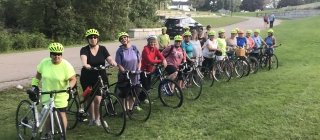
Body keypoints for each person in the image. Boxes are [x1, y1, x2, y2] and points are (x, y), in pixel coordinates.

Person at [30, 42, 77, 132]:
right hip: (47, 94)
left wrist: (69, 87)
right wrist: (34, 85)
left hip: (61, 95)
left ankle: (63, 134)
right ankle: (48, 134)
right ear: (50, 54)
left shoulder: (66, 65)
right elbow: (38, 75)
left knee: (61, 115)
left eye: (59, 54)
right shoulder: (44, 63)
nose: (57, 56)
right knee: (47, 116)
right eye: (54, 54)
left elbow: (73, 79)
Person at [80, 28, 117, 126]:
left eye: (95, 37)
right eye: (90, 37)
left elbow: (109, 58)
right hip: (87, 76)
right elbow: (84, 59)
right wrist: (86, 64)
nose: (93, 39)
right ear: (87, 39)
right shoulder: (84, 49)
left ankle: (98, 118)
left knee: (98, 99)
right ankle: (91, 118)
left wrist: (112, 62)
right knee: (89, 97)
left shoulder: (103, 49)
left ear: (98, 38)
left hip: (100, 76)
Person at [115, 32, 141, 112]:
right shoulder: (119, 51)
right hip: (125, 75)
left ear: (128, 38)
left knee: (134, 93)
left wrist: (138, 69)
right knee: (125, 94)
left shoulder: (134, 48)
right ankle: (125, 111)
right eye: (121, 38)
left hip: (135, 74)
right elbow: (119, 64)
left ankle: (130, 109)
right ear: (120, 41)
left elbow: (139, 60)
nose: (123, 39)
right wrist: (125, 71)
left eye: (125, 37)